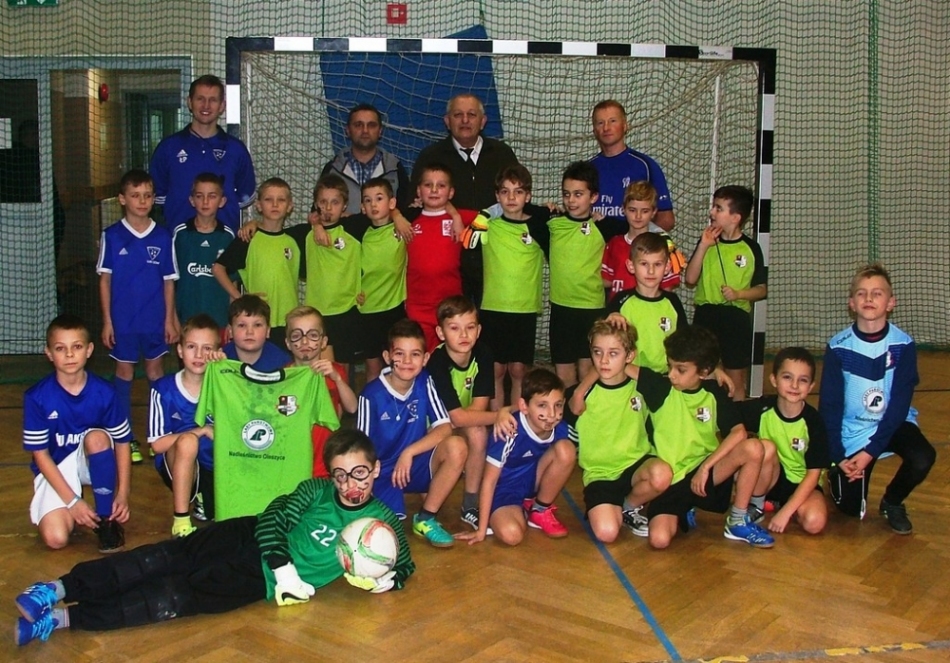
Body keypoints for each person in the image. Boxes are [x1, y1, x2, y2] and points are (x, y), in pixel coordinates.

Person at [13, 430, 414, 646]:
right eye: (340, 475)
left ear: (376, 469)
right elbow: (274, 518)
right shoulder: (316, 490)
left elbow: (406, 562)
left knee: (171, 598)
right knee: (160, 559)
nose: (350, 485)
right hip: (246, 535)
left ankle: (63, 620)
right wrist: (284, 566)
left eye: (359, 473)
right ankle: (56, 588)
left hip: (256, 580)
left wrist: (390, 577)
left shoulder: (383, 522)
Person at [633, 325, 775, 550]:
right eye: (670, 366)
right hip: (673, 481)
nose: (672, 374)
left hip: (705, 474)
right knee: (659, 540)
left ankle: (737, 521)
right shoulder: (660, 387)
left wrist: (706, 467)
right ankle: (685, 508)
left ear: (703, 371)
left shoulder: (714, 392)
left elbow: (738, 432)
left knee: (754, 448)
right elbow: (619, 365)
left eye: (680, 370)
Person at [819, 263, 935, 535]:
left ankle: (892, 502)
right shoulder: (838, 347)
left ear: (891, 303)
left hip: (892, 424)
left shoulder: (903, 345)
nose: (869, 298)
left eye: (877, 293)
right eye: (861, 293)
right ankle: (833, 475)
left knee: (923, 456)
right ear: (851, 303)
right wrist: (838, 454)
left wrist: (870, 452)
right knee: (850, 510)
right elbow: (830, 407)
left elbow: (899, 406)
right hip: (853, 431)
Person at [22, 314, 132, 554]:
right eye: (60, 348)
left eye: (77, 347)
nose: (70, 355)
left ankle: (106, 519)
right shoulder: (37, 397)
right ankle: (70, 510)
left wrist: (123, 493)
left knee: (98, 438)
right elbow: (40, 455)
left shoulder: (105, 392)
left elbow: (122, 442)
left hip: (90, 459)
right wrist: (72, 502)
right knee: (56, 539)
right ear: (49, 353)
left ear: (89, 350)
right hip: (55, 468)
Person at [356, 319, 467, 548]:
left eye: (415, 354)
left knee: (457, 446)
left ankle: (426, 518)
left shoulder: (425, 381)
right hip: (383, 471)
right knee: (383, 538)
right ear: (387, 357)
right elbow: (359, 449)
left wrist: (409, 452)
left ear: (425, 359)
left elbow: (445, 427)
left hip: (414, 463)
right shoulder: (370, 395)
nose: (407, 361)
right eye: (400, 354)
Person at [96, 169, 179, 465]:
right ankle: (125, 437)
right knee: (124, 374)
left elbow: (169, 282)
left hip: (154, 320)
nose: (142, 201)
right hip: (123, 322)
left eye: (147, 195)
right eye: (135, 195)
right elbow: (105, 281)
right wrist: (107, 321)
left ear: (153, 198)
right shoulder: (111, 235)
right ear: (122, 199)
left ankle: (158, 435)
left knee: (156, 373)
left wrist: (170, 320)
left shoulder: (163, 235)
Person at [564, 321, 671, 543]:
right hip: (600, 474)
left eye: (613, 353)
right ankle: (613, 508)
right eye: (597, 352)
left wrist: (624, 366)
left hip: (637, 465)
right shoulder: (579, 395)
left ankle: (629, 507)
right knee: (607, 533)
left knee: (662, 474)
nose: (603, 361)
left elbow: (665, 387)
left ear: (630, 355)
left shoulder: (641, 386)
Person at [412, 93, 523, 305]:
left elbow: (519, 195)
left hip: (495, 256)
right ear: (447, 121)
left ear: (483, 121)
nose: (465, 120)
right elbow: (416, 203)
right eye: (458, 115)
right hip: (449, 262)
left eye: (471, 115)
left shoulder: (502, 154)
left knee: (490, 321)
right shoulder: (431, 157)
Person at [457, 368, 576, 545]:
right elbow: (489, 482)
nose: (552, 414)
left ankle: (539, 509)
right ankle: (510, 513)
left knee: (567, 450)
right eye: (542, 405)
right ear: (524, 406)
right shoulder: (509, 431)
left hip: (532, 483)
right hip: (505, 491)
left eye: (558, 405)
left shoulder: (561, 428)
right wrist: (481, 530)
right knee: (512, 535)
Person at [470, 164, 550, 408]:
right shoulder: (487, 224)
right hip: (493, 308)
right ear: (497, 196)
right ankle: (498, 422)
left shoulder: (539, 226)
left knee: (518, 370)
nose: (511, 198)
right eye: (505, 192)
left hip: (524, 310)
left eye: (518, 192)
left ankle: (517, 420)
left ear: (528, 195)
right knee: (495, 370)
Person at [684, 185, 766, 401]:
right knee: (702, 372)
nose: (712, 212)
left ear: (735, 218)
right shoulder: (706, 242)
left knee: (735, 376)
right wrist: (703, 246)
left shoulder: (751, 248)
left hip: (735, 319)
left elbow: (761, 289)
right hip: (706, 315)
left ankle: (737, 415)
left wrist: (739, 294)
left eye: (718, 208)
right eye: (714, 207)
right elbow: (690, 279)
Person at [547, 160, 625, 387]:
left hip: (591, 309)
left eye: (578, 194)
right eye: (567, 194)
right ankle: (567, 409)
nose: (571, 200)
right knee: (563, 373)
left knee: (588, 371)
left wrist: (668, 244)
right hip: (561, 309)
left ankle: (588, 409)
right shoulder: (553, 224)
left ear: (593, 197)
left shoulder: (604, 226)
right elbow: (519, 210)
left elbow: (638, 224)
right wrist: (547, 209)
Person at [150, 74, 256, 232]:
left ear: (222, 106)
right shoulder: (168, 148)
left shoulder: (236, 149)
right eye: (200, 99)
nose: (206, 105)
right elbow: (157, 197)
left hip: (225, 241)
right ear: (189, 102)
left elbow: (245, 197)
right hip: (178, 241)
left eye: (213, 100)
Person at [426, 296, 497, 531]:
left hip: (460, 422)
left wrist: (469, 420)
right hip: (431, 430)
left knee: (478, 432)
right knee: (465, 433)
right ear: (441, 332)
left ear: (479, 330)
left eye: (470, 327)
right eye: (454, 328)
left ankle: (470, 505)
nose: (464, 335)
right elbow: (455, 418)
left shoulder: (483, 354)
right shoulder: (436, 362)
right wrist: (502, 415)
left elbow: (478, 409)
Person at [740, 347, 828, 535]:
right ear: (774, 380)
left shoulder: (814, 422)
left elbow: (813, 475)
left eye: (803, 380)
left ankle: (787, 505)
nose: (794, 385)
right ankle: (757, 504)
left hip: (802, 483)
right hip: (769, 478)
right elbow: (724, 413)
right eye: (787, 377)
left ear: (811, 386)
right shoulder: (762, 409)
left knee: (814, 523)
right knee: (764, 447)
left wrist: (786, 513)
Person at [147, 314, 220, 538]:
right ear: (179, 351)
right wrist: (200, 431)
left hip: (215, 465)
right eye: (191, 347)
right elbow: (157, 445)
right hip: (176, 460)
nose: (199, 355)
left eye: (207, 348)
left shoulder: (224, 388)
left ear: (217, 353)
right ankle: (181, 522)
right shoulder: (163, 389)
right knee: (188, 441)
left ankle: (204, 495)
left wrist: (226, 369)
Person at [213, 177, 300, 348]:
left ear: (290, 206)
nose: (275, 204)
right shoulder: (249, 238)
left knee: (285, 363)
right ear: (259, 205)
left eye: (281, 200)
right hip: (258, 320)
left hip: (288, 320)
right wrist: (240, 298)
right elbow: (218, 268)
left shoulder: (295, 239)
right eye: (268, 199)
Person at [295, 175, 364, 369]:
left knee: (342, 372)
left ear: (344, 205)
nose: (328, 208)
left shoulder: (354, 228)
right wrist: (252, 224)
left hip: (347, 311)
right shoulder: (305, 233)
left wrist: (397, 215)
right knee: (324, 370)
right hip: (318, 314)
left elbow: (384, 217)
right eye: (323, 202)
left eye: (335, 202)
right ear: (316, 204)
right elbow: (271, 230)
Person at [405, 163, 476, 350]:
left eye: (441, 186)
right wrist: (396, 215)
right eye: (428, 185)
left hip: (451, 307)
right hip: (418, 307)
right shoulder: (408, 220)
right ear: (418, 191)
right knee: (421, 358)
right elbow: (383, 212)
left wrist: (540, 210)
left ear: (451, 192)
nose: (434, 190)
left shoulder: (460, 218)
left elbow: (496, 213)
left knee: (451, 358)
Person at [284, 306, 357, 478]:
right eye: (296, 335)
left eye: (313, 335)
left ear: (323, 342)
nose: (305, 342)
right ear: (288, 343)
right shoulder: (283, 377)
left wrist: (337, 379)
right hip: (294, 461)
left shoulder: (335, 372)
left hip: (327, 461)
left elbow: (352, 407)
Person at [605, 232, 688, 373]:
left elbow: (686, 342)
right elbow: (601, 336)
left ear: (667, 267)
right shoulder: (621, 300)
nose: (651, 271)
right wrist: (610, 317)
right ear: (631, 266)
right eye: (644, 264)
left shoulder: (672, 302)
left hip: (666, 377)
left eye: (657, 264)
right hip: (629, 376)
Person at [588, 100, 675, 232]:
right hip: (596, 244)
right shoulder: (586, 170)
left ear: (625, 126)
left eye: (612, 121)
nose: (606, 128)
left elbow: (666, 220)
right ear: (594, 130)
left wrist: (635, 239)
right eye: (600, 123)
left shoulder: (645, 166)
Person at [355, 177, 409, 383]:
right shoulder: (358, 232)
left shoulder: (402, 227)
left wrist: (398, 215)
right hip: (367, 311)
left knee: (397, 364)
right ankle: (371, 403)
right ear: (362, 207)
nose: (373, 205)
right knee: (372, 367)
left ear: (391, 202)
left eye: (379, 198)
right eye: (367, 200)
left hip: (394, 310)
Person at [321, 103, 411, 215]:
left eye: (371, 125)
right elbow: (318, 211)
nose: (365, 130)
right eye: (358, 125)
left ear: (380, 131)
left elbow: (406, 213)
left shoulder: (394, 169)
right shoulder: (333, 169)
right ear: (348, 130)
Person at [601, 181, 685, 300]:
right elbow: (606, 280)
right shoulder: (614, 243)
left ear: (653, 212)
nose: (638, 216)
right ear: (623, 209)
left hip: (650, 308)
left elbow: (667, 288)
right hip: (619, 308)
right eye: (632, 210)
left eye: (645, 211)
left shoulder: (663, 245)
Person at [172, 172, 235, 329]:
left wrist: (232, 320)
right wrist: (172, 318)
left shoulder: (227, 237)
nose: (205, 202)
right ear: (192, 200)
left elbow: (232, 281)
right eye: (199, 196)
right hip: (186, 319)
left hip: (219, 320)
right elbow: (170, 281)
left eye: (212, 196)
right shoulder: (180, 235)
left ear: (222, 201)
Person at [218, 294, 291, 371]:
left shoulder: (283, 363)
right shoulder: (221, 359)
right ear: (230, 331)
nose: (250, 332)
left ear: (268, 331)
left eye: (257, 325)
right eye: (242, 325)